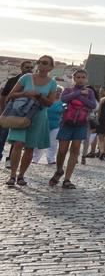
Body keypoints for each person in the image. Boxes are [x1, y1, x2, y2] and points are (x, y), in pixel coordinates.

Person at [5, 56, 59, 187]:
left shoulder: (52, 83)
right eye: (39, 62)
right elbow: (10, 95)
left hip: (38, 116)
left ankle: (21, 175)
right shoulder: (26, 78)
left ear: (51, 67)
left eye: (44, 63)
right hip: (21, 114)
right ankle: (12, 175)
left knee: (29, 147)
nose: (40, 64)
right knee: (18, 144)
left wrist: (39, 96)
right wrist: (25, 94)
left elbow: (50, 103)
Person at [48, 69, 98, 189]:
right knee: (62, 150)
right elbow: (64, 99)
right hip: (67, 123)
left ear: (86, 79)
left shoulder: (90, 91)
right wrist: (79, 94)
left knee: (75, 150)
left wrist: (79, 97)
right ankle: (59, 170)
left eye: (83, 77)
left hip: (81, 123)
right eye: (78, 77)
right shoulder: (68, 90)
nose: (80, 79)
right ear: (74, 79)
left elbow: (93, 105)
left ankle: (67, 179)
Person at [0, 60, 34, 166]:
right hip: (9, 112)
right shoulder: (12, 80)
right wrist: (2, 110)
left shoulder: (34, 82)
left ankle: (10, 160)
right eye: (27, 67)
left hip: (22, 115)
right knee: (2, 136)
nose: (29, 69)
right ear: (21, 67)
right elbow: (3, 96)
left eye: (31, 68)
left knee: (16, 139)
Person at [45, 95, 65, 164]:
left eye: (59, 92)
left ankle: (51, 158)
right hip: (44, 123)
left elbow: (65, 112)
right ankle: (35, 158)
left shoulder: (63, 103)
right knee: (39, 140)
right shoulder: (46, 100)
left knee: (53, 143)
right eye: (56, 91)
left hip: (56, 125)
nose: (58, 93)